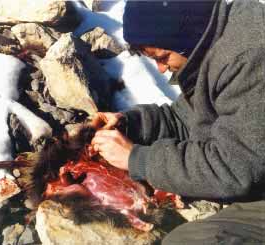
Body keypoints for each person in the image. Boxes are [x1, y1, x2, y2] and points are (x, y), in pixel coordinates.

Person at [91, 0, 265, 244]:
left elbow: (235, 168)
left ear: (188, 35)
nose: (161, 70)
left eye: (162, 56)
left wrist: (137, 158)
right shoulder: (213, 40)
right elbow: (190, 118)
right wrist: (129, 123)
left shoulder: (249, 59)